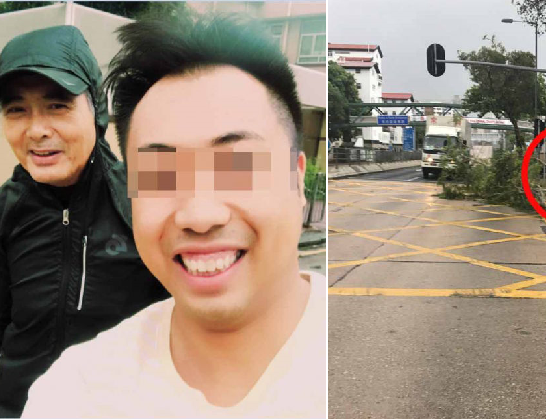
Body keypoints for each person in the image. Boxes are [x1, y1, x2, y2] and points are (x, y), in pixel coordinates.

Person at [22, 15, 325, 418]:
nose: (199, 215)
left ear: (297, 179)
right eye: (162, 175)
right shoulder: (77, 393)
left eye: (238, 166)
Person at [0, 26, 169, 418]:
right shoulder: (6, 209)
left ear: (97, 107)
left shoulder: (144, 197)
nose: (36, 129)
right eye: (17, 110)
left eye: (57, 105)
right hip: (16, 409)